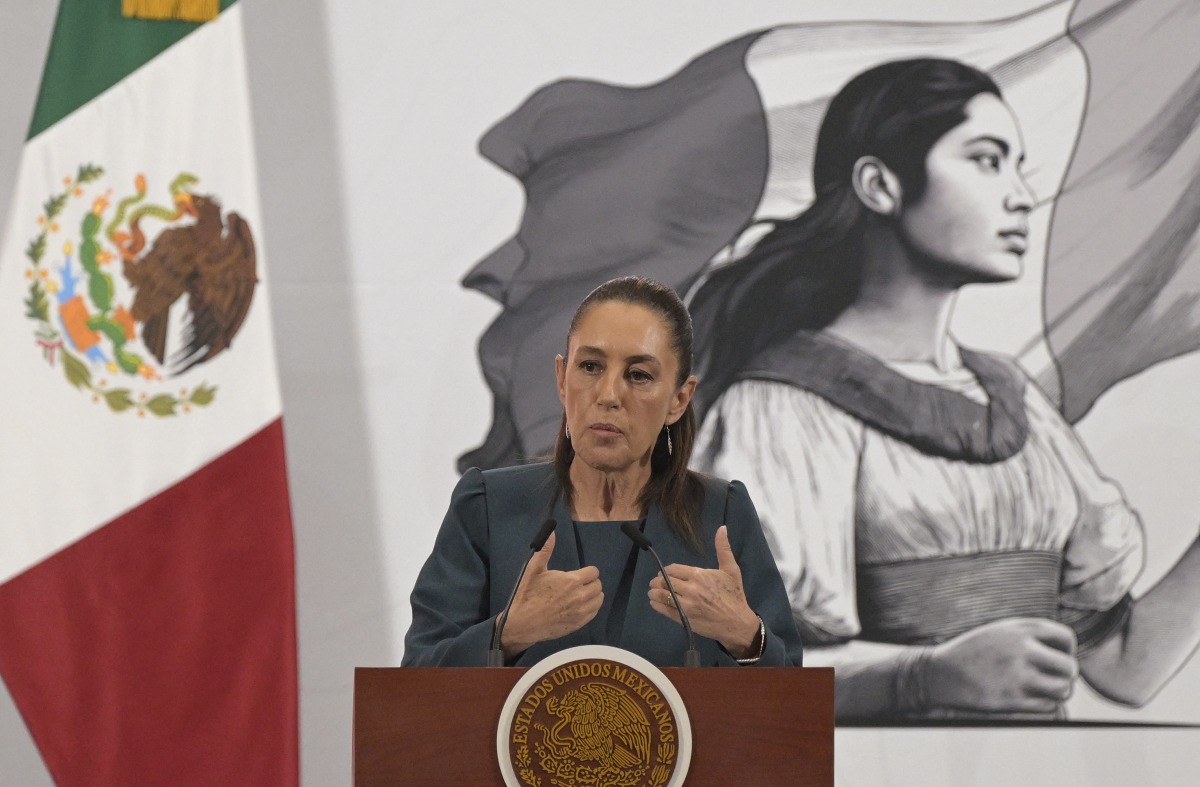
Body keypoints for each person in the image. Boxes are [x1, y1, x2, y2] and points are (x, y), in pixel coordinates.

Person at [689, 58, 1200, 720]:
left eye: (1019, 167)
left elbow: (1124, 665)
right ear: (879, 184)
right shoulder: (780, 410)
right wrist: (923, 678)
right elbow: (735, 675)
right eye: (987, 161)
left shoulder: (1015, 402)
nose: (1020, 195)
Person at [403, 276, 804, 668]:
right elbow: (417, 681)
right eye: (591, 366)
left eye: (639, 375)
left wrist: (744, 635)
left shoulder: (720, 515)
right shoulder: (488, 507)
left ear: (679, 400)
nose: (609, 395)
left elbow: (792, 704)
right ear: (562, 379)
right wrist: (507, 635)